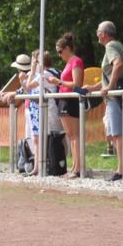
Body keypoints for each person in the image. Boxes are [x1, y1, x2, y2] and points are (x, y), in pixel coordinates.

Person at [85, 21, 123, 181]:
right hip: (118, 93)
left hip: (115, 96)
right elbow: (111, 74)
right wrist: (94, 87)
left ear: (104, 33)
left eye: (98, 31)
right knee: (114, 132)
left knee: (117, 133)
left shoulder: (110, 46)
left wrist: (110, 87)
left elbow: (118, 65)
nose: (96, 34)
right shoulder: (119, 45)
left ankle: (121, 170)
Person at [48, 33, 85, 177]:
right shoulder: (69, 63)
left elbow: (77, 84)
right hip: (64, 99)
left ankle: (78, 168)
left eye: (60, 51)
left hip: (71, 100)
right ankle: (75, 167)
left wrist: (59, 82)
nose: (59, 55)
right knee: (70, 136)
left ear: (68, 48)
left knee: (75, 136)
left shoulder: (76, 61)